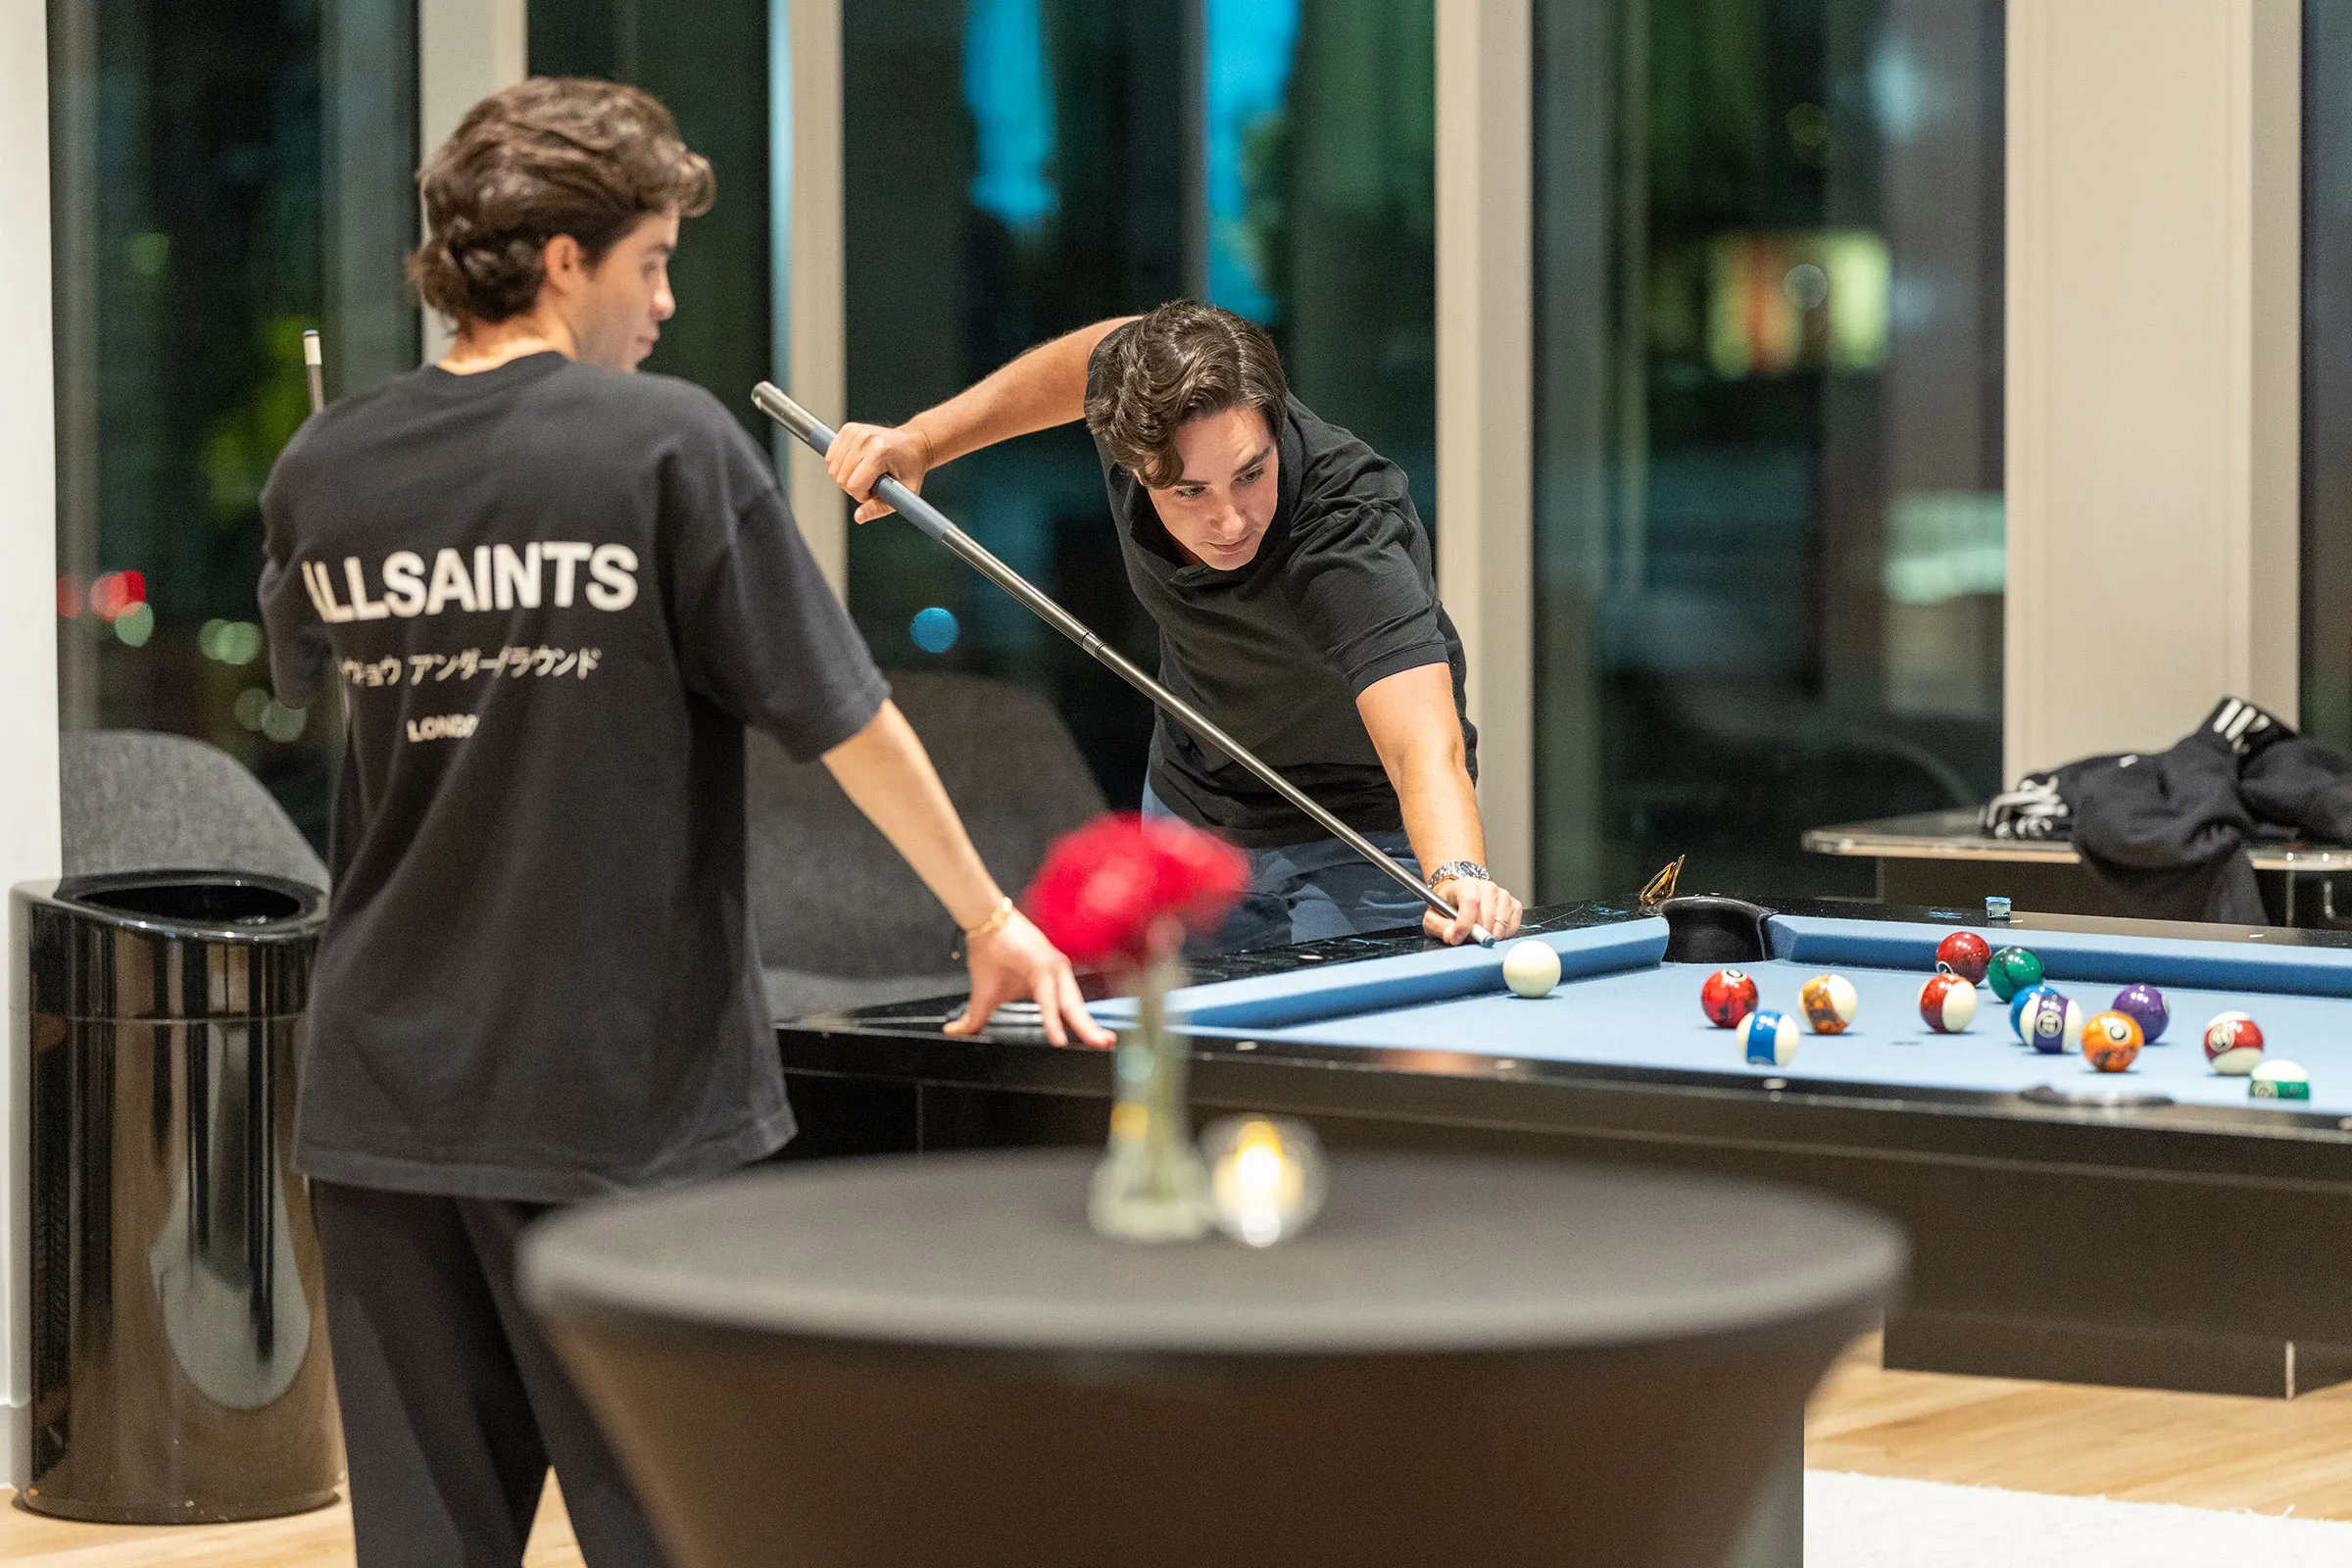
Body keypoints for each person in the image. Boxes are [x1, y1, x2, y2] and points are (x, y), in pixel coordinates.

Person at [259, 77, 1107, 1568]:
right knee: (678, 1528)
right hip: (619, 1090)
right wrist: (990, 917)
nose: (661, 303)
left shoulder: (326, 467)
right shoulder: (662, 445)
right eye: (650, 262)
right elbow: (847, 718)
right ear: (563, 260)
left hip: (382, 1097)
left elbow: (299, 664)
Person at [821, 302, 1525, 951]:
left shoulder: (1347, 527)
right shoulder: (1134, 398)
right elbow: (1093, 353)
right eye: (1189, 491)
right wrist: (922, 442)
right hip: (1191, 811)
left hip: (1359, 837)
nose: (1230, 519)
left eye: (1251, 474)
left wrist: (1457, 873)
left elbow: (1423, 749)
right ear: (1132, 463)